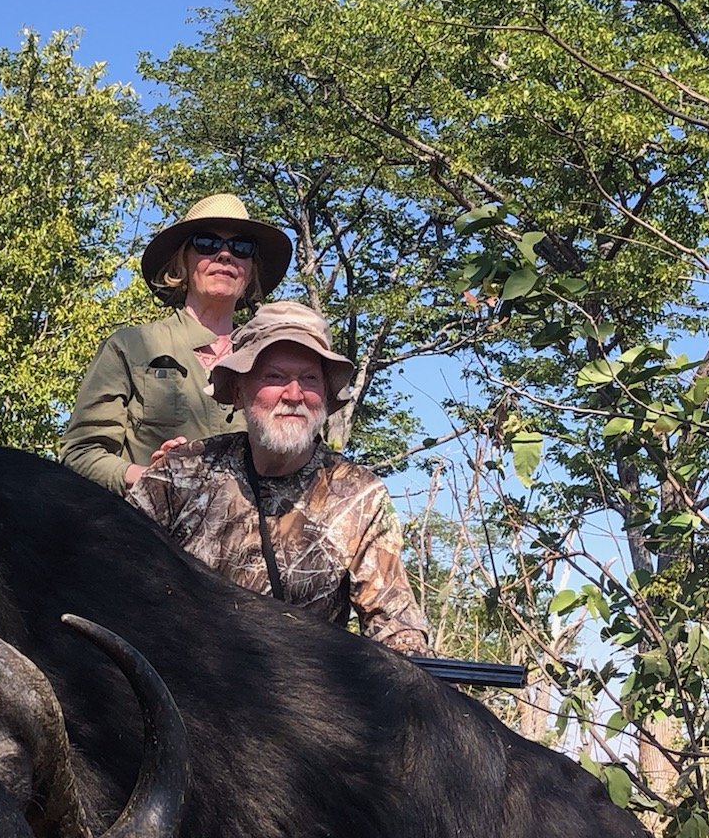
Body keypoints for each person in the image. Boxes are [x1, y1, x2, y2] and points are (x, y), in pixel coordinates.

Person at [128, 301, 433, 655]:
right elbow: (117, 581)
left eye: (309, 379)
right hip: (180, 683)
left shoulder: (358, 496)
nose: (294, 395)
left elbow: (397, 630)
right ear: (240, 391)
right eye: (275, 377)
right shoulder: (179, 473)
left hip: (294, 698)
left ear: (326, 396)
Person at [60, 193, 292, 494]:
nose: (225, 255)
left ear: (250, 272)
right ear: (182, 262)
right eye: (206, 243)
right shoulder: (130, 347)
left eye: (241, 247)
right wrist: (153, 477)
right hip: (149, 535)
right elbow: (80, 454)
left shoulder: (268, 363)